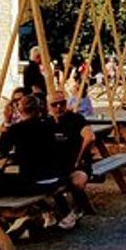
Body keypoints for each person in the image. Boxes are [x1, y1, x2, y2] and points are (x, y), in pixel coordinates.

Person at [0, 94, 79, 233]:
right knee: (17, 177)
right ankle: (52, 212)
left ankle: (15, 215)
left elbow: (3, 150)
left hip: (34, 182)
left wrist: (7, 122)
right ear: (39, 109)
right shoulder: (49, 125)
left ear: (19, 110)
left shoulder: (17, 129)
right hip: (57, 178)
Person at [47, 90, 95, 229]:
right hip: (56, 166)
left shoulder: (76, 119)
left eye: (62, 103)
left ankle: (76, 209)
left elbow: (90, 137)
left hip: (77, 165)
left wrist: (79, 158)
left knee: (76, 181)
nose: (58, 107)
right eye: (54, 104)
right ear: (48, 106)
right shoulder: (47, 122)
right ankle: (58, 211)